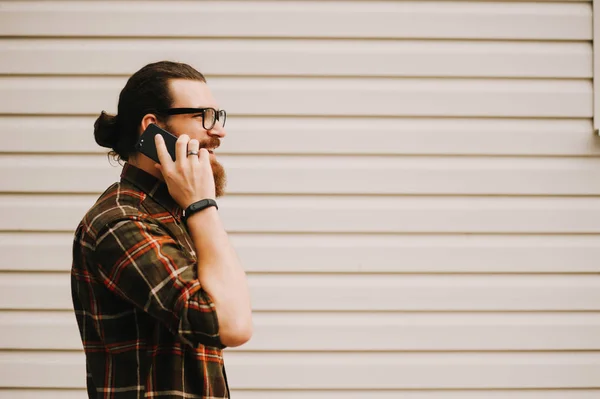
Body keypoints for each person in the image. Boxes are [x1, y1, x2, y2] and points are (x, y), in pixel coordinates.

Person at [71, 61, 253, 399]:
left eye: (217, 116)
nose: (218, 131)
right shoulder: (122, 223)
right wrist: (203, 206)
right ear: (153, 128)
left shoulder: (171, 215)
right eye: (203, 116)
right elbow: (233, 325)